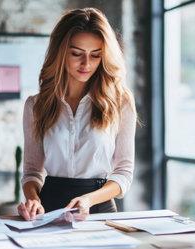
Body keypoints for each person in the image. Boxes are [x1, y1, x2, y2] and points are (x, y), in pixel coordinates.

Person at [17, 7, 136, 222]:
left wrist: (89, 200)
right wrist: (33, 200)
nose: (86, 64)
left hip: (98, 210)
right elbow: (32, 172)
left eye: (95, 55)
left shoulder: (120, 102)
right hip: (49, 209)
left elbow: (123, 173)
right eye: (76, 54)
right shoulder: (36, 105)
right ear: (60, 52)